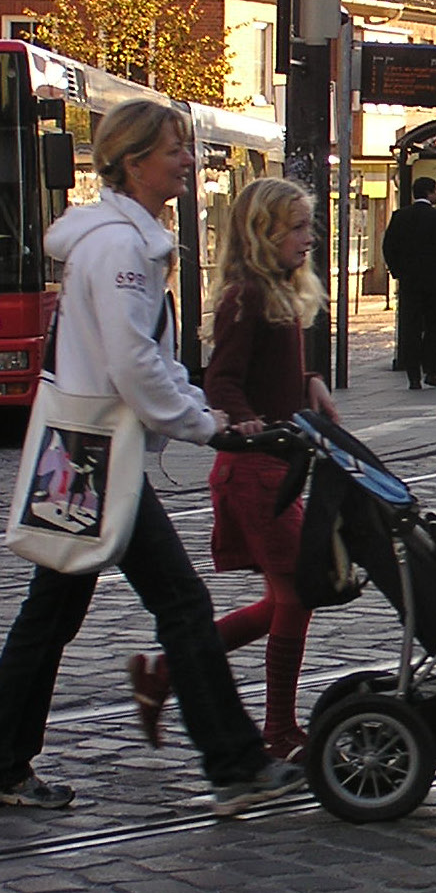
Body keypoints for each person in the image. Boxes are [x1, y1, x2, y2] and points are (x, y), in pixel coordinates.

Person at [0, 99, 306, 815]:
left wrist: (201, 415)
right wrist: (211, 430)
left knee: (55, 607)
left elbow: (153, 361)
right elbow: (134, 362)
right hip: (94, 454)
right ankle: (234, 764)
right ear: (135, 161)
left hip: (86, 450)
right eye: (176, 151)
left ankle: (6, 758)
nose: (189, 162)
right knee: (179, 601)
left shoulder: (128, 240)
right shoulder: (117, 250)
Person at [126, 178, 340, 764]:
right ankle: (277, 729)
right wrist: (242, 420)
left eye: (307, 226)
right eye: (297, 227)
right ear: (262, 233)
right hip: (254, 470)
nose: (308, 238)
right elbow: (222, 378)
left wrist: (308, 382)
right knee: (296, 594)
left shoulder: (274, 292)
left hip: (276, 467)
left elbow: (273, 370)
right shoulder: (246, 296)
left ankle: (166, 674)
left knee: (283, 599)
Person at [381, 176, 436, 391]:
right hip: (434, 282)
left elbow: (388, 247)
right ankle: (431, 371)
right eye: (435, 191)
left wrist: (398, 272)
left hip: (409, 283)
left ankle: (413, 376)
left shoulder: (400, 216)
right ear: (429, 192)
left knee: (411, 328)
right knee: (434, 327)